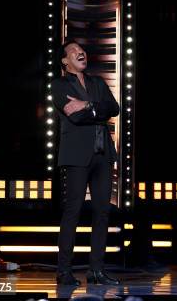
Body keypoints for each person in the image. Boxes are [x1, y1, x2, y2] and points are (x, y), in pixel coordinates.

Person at [51, 40, 120, 286]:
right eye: (73, 51)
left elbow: (114, 107)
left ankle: (96, 271)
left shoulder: (97, 83)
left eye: (82, 50)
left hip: (103, 154)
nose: (80, 52)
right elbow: (75, 116)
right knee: (73, 211)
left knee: (102, 212)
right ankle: (63, 271)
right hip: (76, 155)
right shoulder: (58, 85)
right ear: (64, 61)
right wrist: (95, 110)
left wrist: (88, 104)